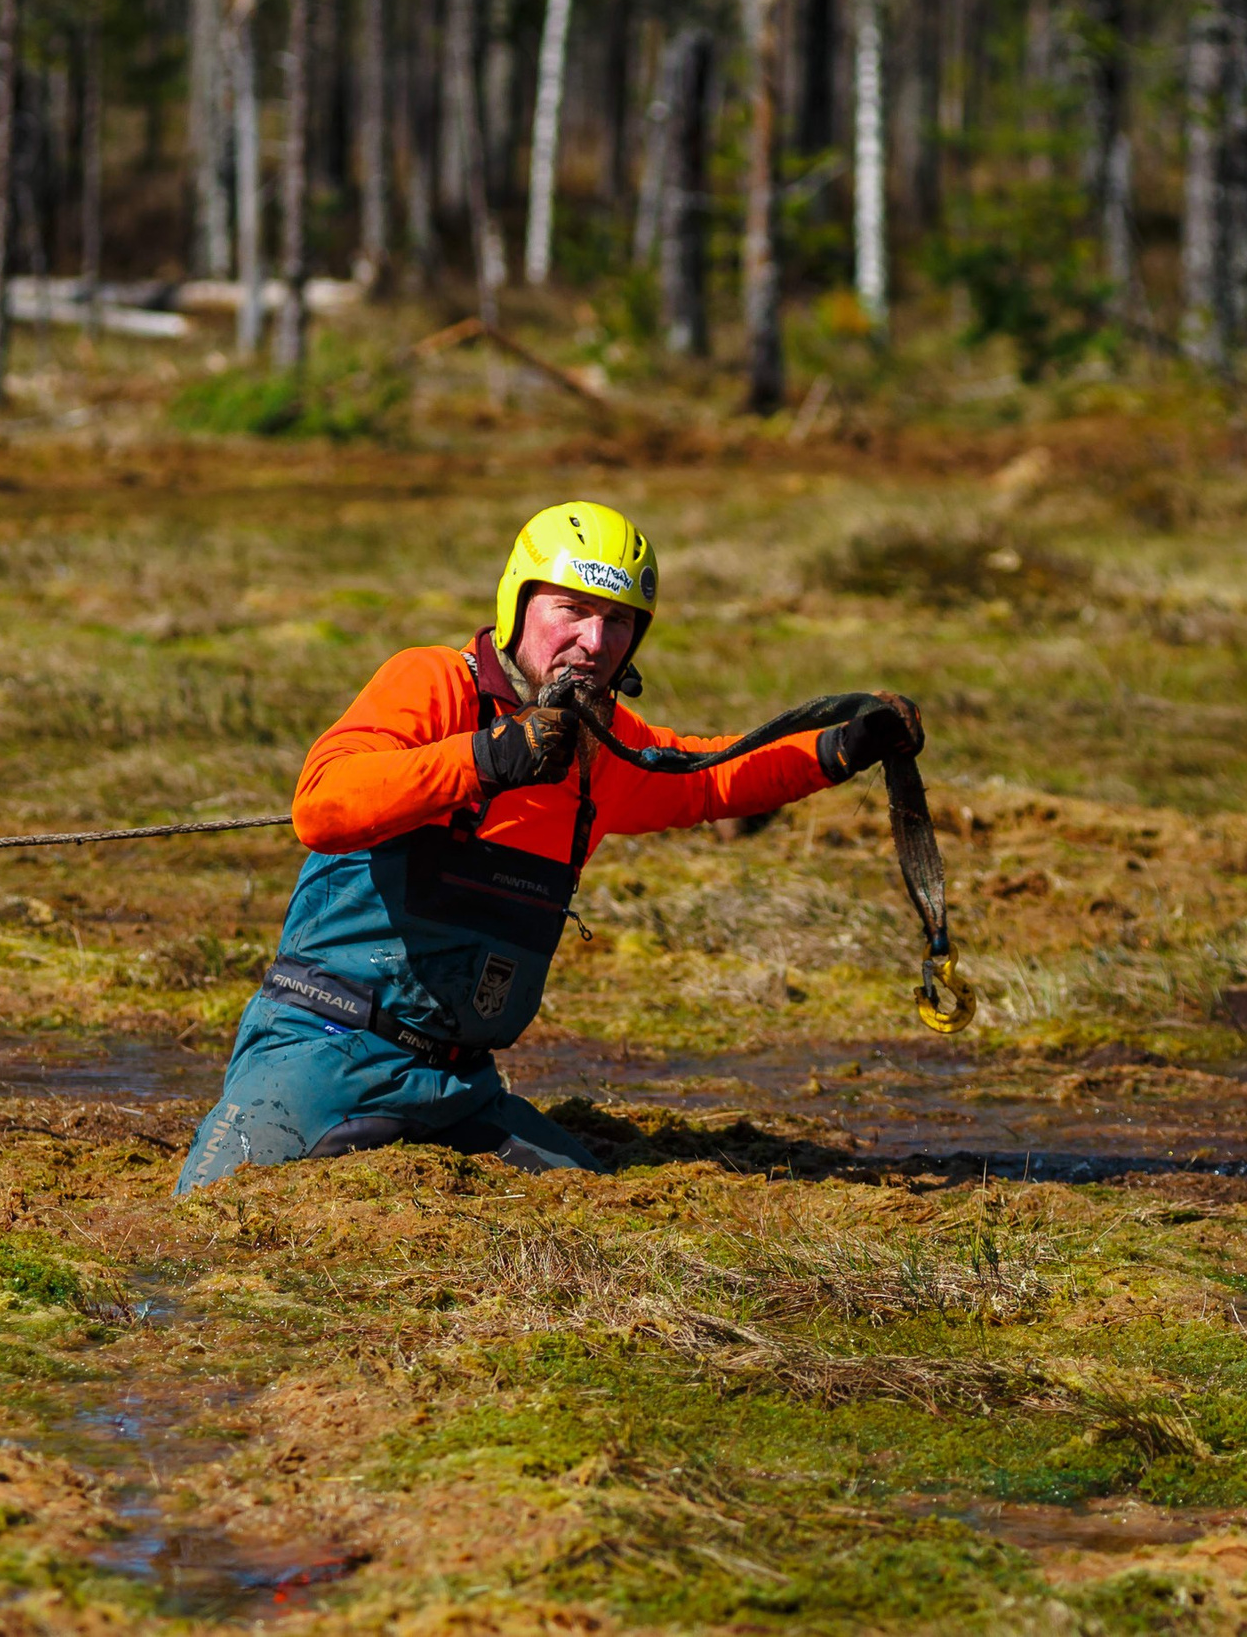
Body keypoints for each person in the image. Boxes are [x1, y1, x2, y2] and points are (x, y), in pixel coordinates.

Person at [174, 502, 923, 1192]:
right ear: (519, 604)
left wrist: (842, 746)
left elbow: (709, 778)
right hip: (322, 1050)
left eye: (619, 622)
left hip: (462, 1090)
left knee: (598, 1207)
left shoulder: (601, 749)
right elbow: (320, 805)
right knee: (213, 1218)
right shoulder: (434, 683)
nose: (594, 643)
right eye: (571, 610)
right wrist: (487, 758)